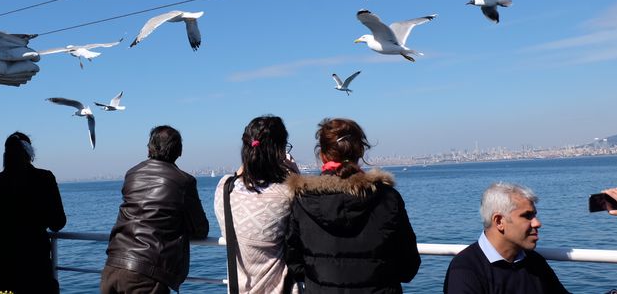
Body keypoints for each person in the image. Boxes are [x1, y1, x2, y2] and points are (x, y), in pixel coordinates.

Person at [286, 118, 420, 293]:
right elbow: (408, 267)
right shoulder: (387, 198)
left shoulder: (303, 201)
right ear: (360, 150)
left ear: (322, 155)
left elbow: (294, 263)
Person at [102, 125, 209, 294]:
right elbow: (200, 229)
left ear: (149, 149)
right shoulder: (184, 181)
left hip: (113, 266)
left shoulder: (132, 174)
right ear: (179, 151)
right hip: (146, 274)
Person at [0, 132, 66, 294]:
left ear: (6, 154)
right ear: (30, 153)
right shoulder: (44, 178)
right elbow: (58, 222)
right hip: (34, 267)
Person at [214, 115, 300, 293]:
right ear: (279, 152)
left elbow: (237, 176)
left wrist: (251, 161)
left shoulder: (225, 188)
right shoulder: (287, 193)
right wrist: (295, 176)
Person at [443, 182, 569, 293]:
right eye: (527, 216)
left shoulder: (535, 263)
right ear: (499, 221)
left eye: (534, 215)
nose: (537, 223)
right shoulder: (465, 270)